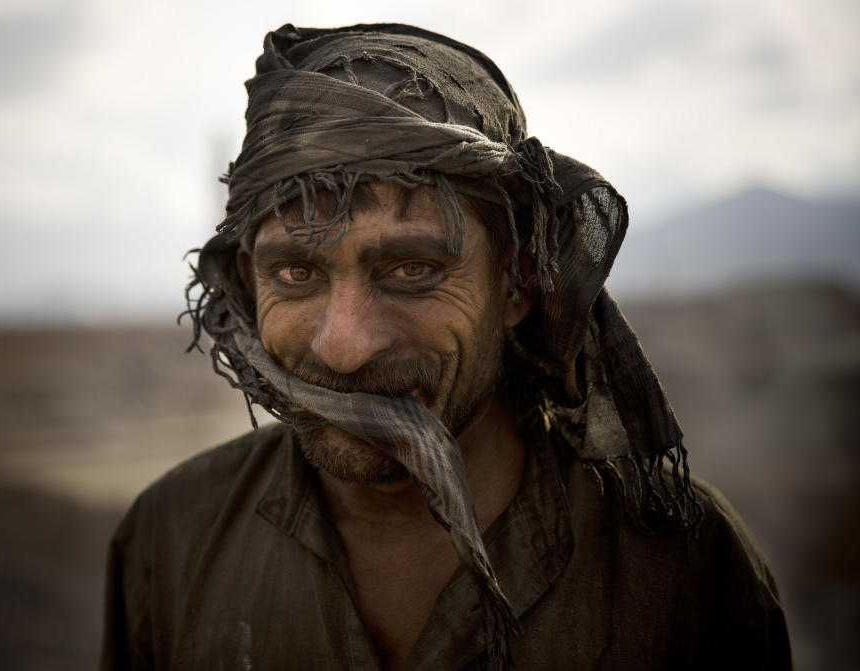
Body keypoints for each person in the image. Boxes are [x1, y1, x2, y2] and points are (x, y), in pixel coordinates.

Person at [102, 23, 791, 671]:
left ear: (520, 279)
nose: (344, 345)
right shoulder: (171, 540)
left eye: (412, 269)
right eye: (296, 273)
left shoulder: (684, 571)